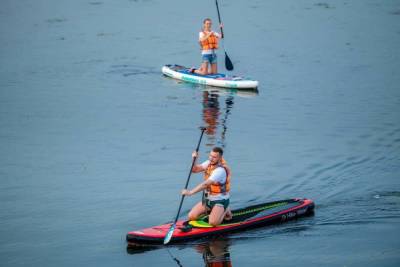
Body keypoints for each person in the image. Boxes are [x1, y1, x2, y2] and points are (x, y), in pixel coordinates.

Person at [182, 147, 233, 226]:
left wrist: (190, 192)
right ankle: (212, 211)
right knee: (191, 216)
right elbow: (194, 170)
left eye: (214, 157)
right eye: (210, 155)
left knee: (212, 223)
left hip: (220, 201)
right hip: (208, 200)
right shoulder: (208, 163)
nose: (211, 158)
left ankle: (225, 209)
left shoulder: (220, 170)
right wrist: (194, 159)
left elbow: (205, 184)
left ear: (220, 158)